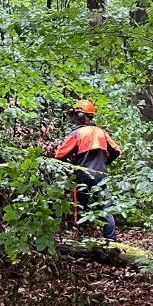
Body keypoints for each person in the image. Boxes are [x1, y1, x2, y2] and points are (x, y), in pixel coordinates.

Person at [54, 99, 122, 240]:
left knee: (80, 208)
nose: (74, 117)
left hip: (82, 175)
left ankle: (80, 239)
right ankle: (111, 240)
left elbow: (59, 155)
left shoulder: (76, 133)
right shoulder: (101, 132)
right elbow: (116, 150)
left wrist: (69, 168)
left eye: (76, 114)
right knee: (105, 208)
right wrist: (105, 163)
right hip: (101, 175)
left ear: (81, 115)